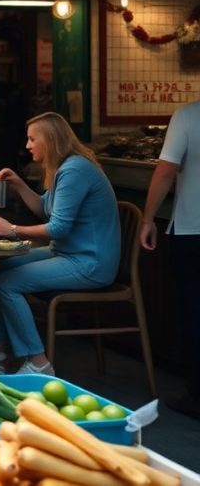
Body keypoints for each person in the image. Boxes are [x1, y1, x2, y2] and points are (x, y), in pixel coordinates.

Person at [0, 112, 120, 376]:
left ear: (51, 139)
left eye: (33, 139)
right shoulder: (64, 167)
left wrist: (11, 230)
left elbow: (57, 228)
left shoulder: (74, 170)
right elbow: (45, 209)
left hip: (89, 263)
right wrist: (19, 185)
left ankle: (38, 362)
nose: (27, 145)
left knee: (7, 284)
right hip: (67, 253)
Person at [140, 98, 200, 418]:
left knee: (195, 313)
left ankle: (198, 396)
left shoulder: (188, 115)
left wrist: (148, 219)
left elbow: (165, 172)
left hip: (193, 229)